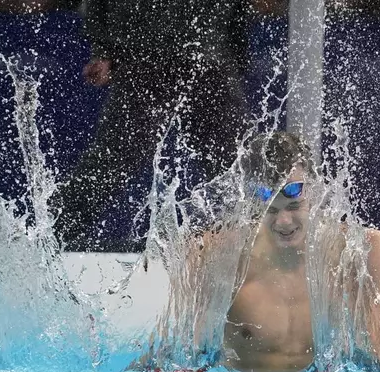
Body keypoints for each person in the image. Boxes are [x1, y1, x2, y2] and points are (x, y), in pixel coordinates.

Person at [135, 132, 380, 372]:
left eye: (294, 205)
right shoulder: (220, 257)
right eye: (271, 211)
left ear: (315, 193)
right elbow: (178, 355)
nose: (284, 222)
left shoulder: (361, 252)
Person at [53, 0, 252, 250]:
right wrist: (102, 49)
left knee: (236, 167)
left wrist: (237, 52)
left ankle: (257, 247)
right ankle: (49, 240)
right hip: (145, 56)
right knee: (109, 163)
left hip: (208, 59)